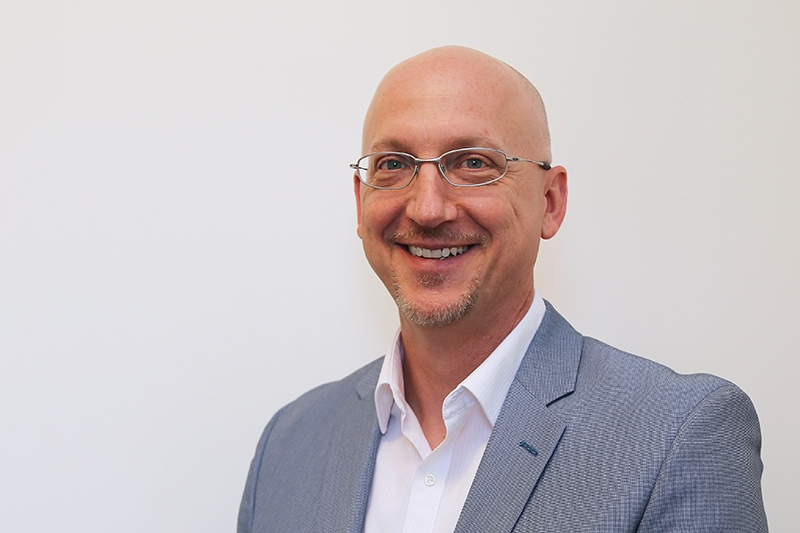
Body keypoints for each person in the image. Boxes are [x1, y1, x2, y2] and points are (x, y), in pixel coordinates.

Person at [237, 46, 767, 532]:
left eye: (473, 163)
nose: (427, 208)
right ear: (360, 201)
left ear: (551, 201)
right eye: (394, 165)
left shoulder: (679, 435)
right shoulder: (288, 445)